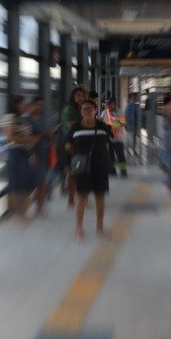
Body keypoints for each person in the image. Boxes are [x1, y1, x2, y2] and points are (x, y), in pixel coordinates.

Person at [65, 100, 113, 241]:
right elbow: (68, 145)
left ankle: (100, 226)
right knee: (82, 197)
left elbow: (107, 143)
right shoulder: (75, 127)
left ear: (96, 110)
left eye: (89, 108)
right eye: (84, 109)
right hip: (82, 167)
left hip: (100, 166)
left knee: (100, 196)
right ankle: (79, 228)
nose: (86, 111)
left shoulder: (102, 126)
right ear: (80, 111)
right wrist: (75, 157)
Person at [3, 95, 45, 220]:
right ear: (15, 105)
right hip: (15, 153)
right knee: (16, 185)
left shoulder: (23, 119)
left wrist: (32, 153)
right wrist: (31, 139)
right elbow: (11, 137)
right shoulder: (9, 117)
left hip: (25, 153)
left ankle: (23, 212)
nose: (24, 106)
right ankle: (16, 214)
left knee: (25, 184)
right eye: (22, 104)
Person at [24, 96, 52, 216]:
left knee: (42, 182)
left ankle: (39, 208)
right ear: (32, 105)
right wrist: (44, 134)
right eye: (38, 105)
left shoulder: (42, 119)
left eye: (42, 105)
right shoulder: (26, 119)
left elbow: (46, 135)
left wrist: (49, 135)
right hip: (32, 155)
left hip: (43, 153)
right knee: (30, 184)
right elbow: (26, 138)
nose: (40, 107)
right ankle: (24, 209)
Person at [60, 87, 88, 208]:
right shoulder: (69, 110)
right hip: (70, 142)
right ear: (73, 97)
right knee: (72, 172)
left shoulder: (84, 109)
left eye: (82, 96)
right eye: (78, 95)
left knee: (81, 172)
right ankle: (71, 200)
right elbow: (71, 127)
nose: (80, 98)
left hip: (82, 142)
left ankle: (80, 198)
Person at [100, 98, 128, 177]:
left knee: (120, 156)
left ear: (114, 104)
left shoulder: (120, 112)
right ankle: (112, 171)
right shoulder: (104, 112)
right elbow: (101, 122)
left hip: (118, 138)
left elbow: (122, 123)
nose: (108, 106)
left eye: (109, 104)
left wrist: (111, 126)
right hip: (108, 139)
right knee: (110, 156)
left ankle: (123, 171)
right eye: (107, 105)